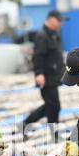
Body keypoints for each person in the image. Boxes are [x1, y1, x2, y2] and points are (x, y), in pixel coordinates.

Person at [22, 10, 68, 140]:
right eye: (59, 20)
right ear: (51, 19)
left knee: (50, 105)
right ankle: (54, 136)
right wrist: (39, 73)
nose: (60, 23)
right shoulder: (42, 35)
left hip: (54, 77)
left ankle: (25, 125)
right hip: (46, 77)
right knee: (54, 106)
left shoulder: (54, 34)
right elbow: (37, 56)